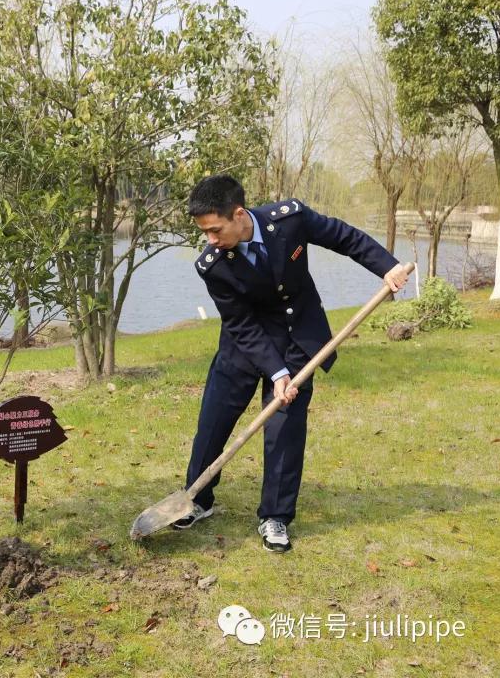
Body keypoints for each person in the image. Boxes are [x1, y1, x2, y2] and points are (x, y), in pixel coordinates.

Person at [171, 175, 407, 553]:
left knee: (285, 426)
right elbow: (241, 324)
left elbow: (344, 237)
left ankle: (275, 516)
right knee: (214, 421)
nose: (210, 240)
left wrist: (387, 266)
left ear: (238, 214)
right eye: (205, 233)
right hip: (242, 346)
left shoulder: (290, 220)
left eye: (215, 230)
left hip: (298, 338)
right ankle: (197, 498)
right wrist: (275, 373)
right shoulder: (212, 266)